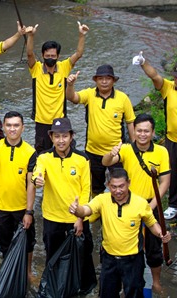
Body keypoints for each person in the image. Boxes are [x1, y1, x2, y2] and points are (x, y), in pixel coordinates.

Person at [69, 168, 171, 298]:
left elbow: (152, 224)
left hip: (133, 260)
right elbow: (86, 210)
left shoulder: (140, 203)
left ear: (128, 183)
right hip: (109, 259)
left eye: (121, 186)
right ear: (107, 186)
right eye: (114, 187)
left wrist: (161, 234)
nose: (118, 191)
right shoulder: (102, 200)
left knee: (134, 294)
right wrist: (76, 210)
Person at [102, 113, 171, 293]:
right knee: (129, 245)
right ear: (134, 131)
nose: (142, 134)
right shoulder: (125, 149)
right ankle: (128, 281)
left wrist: (151, 206)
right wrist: (111, 154)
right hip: (128, 203)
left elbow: (165, 182)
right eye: (139, 130)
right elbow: (105, 162)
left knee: (155, 247)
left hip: (151, 203)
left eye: (146, 131)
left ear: (152, 132)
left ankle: (155, 282)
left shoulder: (161, 152)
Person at [31, 117, 96, 293]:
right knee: (53, 255)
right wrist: (37, 179)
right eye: (57, 136)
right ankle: (55, 288)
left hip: (77, 217)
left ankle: (82, 288)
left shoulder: (82, 159)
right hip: (52, 217)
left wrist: (80, 217)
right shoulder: (44, 157)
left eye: (64, 136)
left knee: (83, 253)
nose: (61, 140)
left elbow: (86, 190)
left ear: (71, 137)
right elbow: (37, 173)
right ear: (51, 137)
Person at [0, 111, 37, 281]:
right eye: (9, 125)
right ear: (3, 127)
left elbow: (31, 184)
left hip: (21, 208)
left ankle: (27, 272)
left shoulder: (30, 152)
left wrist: (29, 212)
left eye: (16, 125)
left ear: (23, 128)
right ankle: (7, 269)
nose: (12, 129)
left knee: (28, 243)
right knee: (4, 243)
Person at [66, 64, 135, 196]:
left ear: (113, 80)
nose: (104, 81)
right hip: (93, 151)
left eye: (108, 78)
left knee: (119, 185)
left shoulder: (122, 98)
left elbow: (130, 122)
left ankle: (118, 209)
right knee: (95, 186)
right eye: (100, 78)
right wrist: (70, 85)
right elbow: (72, 98)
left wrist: (134, 147)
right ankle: (97, 211)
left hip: (116, 152)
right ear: (96, 80)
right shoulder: (89, 94)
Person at [25, 22, 89, 153]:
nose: (50, 58)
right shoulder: (36, 68)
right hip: (41, 121)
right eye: (47, 56)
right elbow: (30, 54)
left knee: (66, 151)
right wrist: (31, 36)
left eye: (53, 56)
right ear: (42, 56)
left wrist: (81, 35)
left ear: (58, 56)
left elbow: (78, 54)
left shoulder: (64, 67)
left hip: (60, 120)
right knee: (42, 153)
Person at [133, 51, 177, 220]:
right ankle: (173, 204)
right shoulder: (169, 88)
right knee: (172, 172)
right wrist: (143, 62)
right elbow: (154, 76)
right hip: (173, 139)